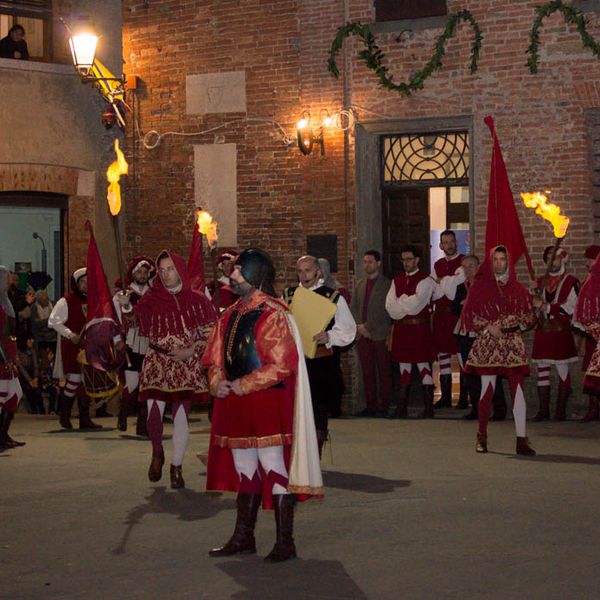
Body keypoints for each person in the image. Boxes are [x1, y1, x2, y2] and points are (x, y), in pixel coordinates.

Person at [202, 248, 322, 562]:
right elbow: (215, 358)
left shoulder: (273, 314)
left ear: (254, 273)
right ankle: (244, 537)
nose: (232, 275)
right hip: (235, 403)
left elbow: (282, 364)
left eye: (238, 270)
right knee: (244, 468)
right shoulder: (229, 314)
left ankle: (285, 542)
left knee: (273, 466)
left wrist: (243, 384)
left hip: (266, 402)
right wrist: (217, 382)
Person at [117, 251, 216, 489]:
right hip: (157, 360)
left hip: (185, 363)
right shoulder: (151, 298)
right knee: (153, 414)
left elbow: (211, 333)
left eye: (170, 269)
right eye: (161, 270)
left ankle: (176, 466)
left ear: (179, 269)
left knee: (181, 415)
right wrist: (127, 306)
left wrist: (191, 350)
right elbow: (134, 323)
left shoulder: (197, 300)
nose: (166, 274)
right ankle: (157, 452)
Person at [462, 246, 537, 456]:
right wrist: (488, 326)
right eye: (495, 259)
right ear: (490, 262)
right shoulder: (479, 287)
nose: (499, 263)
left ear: (508, 262)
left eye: (502, 259)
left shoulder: (518, 288)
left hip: (512, 343)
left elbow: (528, 319)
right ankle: (481, 435)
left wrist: (534, 309)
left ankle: (521, 439)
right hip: (489, 342)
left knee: (518, 390)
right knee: (487, 390)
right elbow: (471, 315)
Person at [282, 255, 356, 456]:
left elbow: (349, 330)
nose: (304, 275)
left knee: (319, 408)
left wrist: (329, 336)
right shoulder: (288, 296)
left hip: (322, 362)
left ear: (318, 272)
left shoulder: (332, 297)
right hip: (296, 360)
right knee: (295, 408)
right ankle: (297, 455)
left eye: (308, 270)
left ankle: (315, 454)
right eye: (300, 271)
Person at [385, 245, 435, 418]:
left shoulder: (426, 280)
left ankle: (428, 408)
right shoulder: (396, 281)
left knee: (423, 365)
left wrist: (401, 301)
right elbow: (390, 307)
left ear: (417, 260)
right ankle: (402, 407)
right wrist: (403, 304)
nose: (406, 262)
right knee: (403, 366)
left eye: (409, 259)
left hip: (419, 329)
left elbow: (417, 305)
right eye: (403, 259)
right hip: (401, 329)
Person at [49, 268, 101, 430]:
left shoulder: (94, 301)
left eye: (88, 282)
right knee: (75, 379)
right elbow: (53, 321)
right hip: (72, 347)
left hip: (89, 346)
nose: (85, 285)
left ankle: (84, 418)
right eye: (82, 282)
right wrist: (70, 334)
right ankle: (64, 414)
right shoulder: (66, 301)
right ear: (76, 283)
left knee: (86, 382)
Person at [531, 247, 579, 421]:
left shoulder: (571, 281)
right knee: (542, 371)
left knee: (562, 370)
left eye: (556, 258)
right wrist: (534, 307)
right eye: (549, 258)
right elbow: (533, 309)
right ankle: (543, 410)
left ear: (562, 260)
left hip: (560, 331)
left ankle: (560, 410)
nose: (553, 261)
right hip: (543, 331)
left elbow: (572, 308)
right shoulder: (539, 282)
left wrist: (547, 307)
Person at [113, 256, 153, 433]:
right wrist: (117, 340)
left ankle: (142, 424)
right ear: (133, 273)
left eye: (145, 272)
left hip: (151, 341)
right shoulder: (123, 294)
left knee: (147, 382)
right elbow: (115, 319)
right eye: (139, 272)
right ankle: (123, 414)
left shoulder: (153, 293)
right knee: (132, 382)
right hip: (131, 341)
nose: (142, 275)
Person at [350, 250, 392, 417]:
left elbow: (384, 310)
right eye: (365, 262)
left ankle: (385, 405)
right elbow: (353, 307)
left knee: (383, 370)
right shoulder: (360, 284)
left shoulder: (387, 284)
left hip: (379, 333)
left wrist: (368, 326)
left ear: (378, 263)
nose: (367, 265)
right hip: (362, 334)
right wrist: (360, 326)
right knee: (367, 371)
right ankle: (371, 405)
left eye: (370, 262)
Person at [431, 230, 465, 409]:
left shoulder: (464, 262)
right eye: (445, 242)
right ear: (441, 245)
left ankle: (464, 398)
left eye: (451, 241)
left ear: (456, 243)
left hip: (457, 315)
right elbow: (434, 290)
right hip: (441, 316)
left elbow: (453, 290)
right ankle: (445, 396)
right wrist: (447, 282)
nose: (449, 245)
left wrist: (442, 281)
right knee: (443, 355)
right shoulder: (437, 264)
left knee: (460, 354)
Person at [0, 266, 26, 450]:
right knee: (2, 397)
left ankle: (3, 435)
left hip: (8, 350)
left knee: (15, 394)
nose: (9, 281)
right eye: (6, 277)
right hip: (1, 354)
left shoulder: (5, 299)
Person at [574, 245, 600, 421]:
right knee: (592, 372)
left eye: (591, 260)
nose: (588, 264)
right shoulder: (589, 282)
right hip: (593, 335)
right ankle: (593, 409)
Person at [16, 334, 44, 414]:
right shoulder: (18, 352)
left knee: (37, 390)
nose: (32, 341)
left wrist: (35, 378)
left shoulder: (32, 350)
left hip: (33, 374)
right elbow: (21, 368)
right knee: (29, 390)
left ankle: (42, 410)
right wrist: (29, 381)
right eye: (30, 339)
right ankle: (34, 410)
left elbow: (36, 365)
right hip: (23, 376)